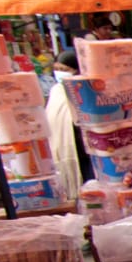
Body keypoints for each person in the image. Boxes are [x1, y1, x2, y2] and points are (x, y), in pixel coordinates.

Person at [44, 49, 89, 193]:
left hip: (82, 149)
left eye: (64, 69)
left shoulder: (85, 89)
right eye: (56, 69)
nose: (59, 72)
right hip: (61, 148)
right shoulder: (56, 91)